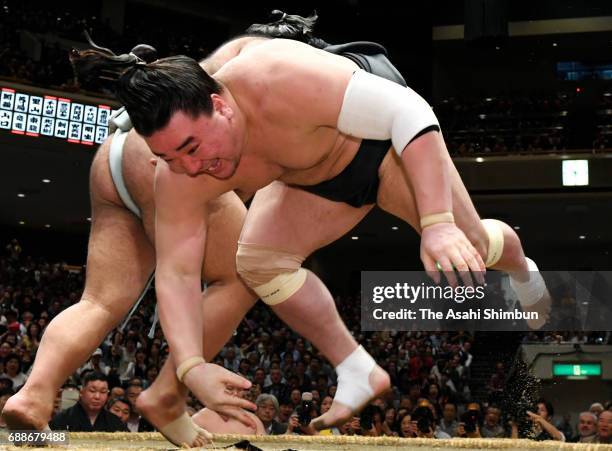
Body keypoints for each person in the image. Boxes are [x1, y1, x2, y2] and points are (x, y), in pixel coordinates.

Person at [72, 10, 551, 430]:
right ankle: (355, 367)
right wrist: (192, 364)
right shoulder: (178, 175)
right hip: (313, 183)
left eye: (193, 148)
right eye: (169, 157)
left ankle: (521, 267)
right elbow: (176, 270)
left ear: (220, 105)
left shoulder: (276, 74)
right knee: (258, 262)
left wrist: (439, 222)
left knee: (470, 244)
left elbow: (410, 111)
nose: (192, 168)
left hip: (389, 148)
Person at [2, 14, 372, 446]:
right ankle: (167, 396)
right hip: (168, 163)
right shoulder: (269, 69)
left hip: (118, 153)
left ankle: (33, 394)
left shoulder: (221, 67)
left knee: (101, 300)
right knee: (245, 272)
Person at [49, 372, 127, 432]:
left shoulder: (114, 422)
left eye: (103, 392)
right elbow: (46, 443)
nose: (97, 396)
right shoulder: (62, 419)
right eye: (92, 391)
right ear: (81, 392)